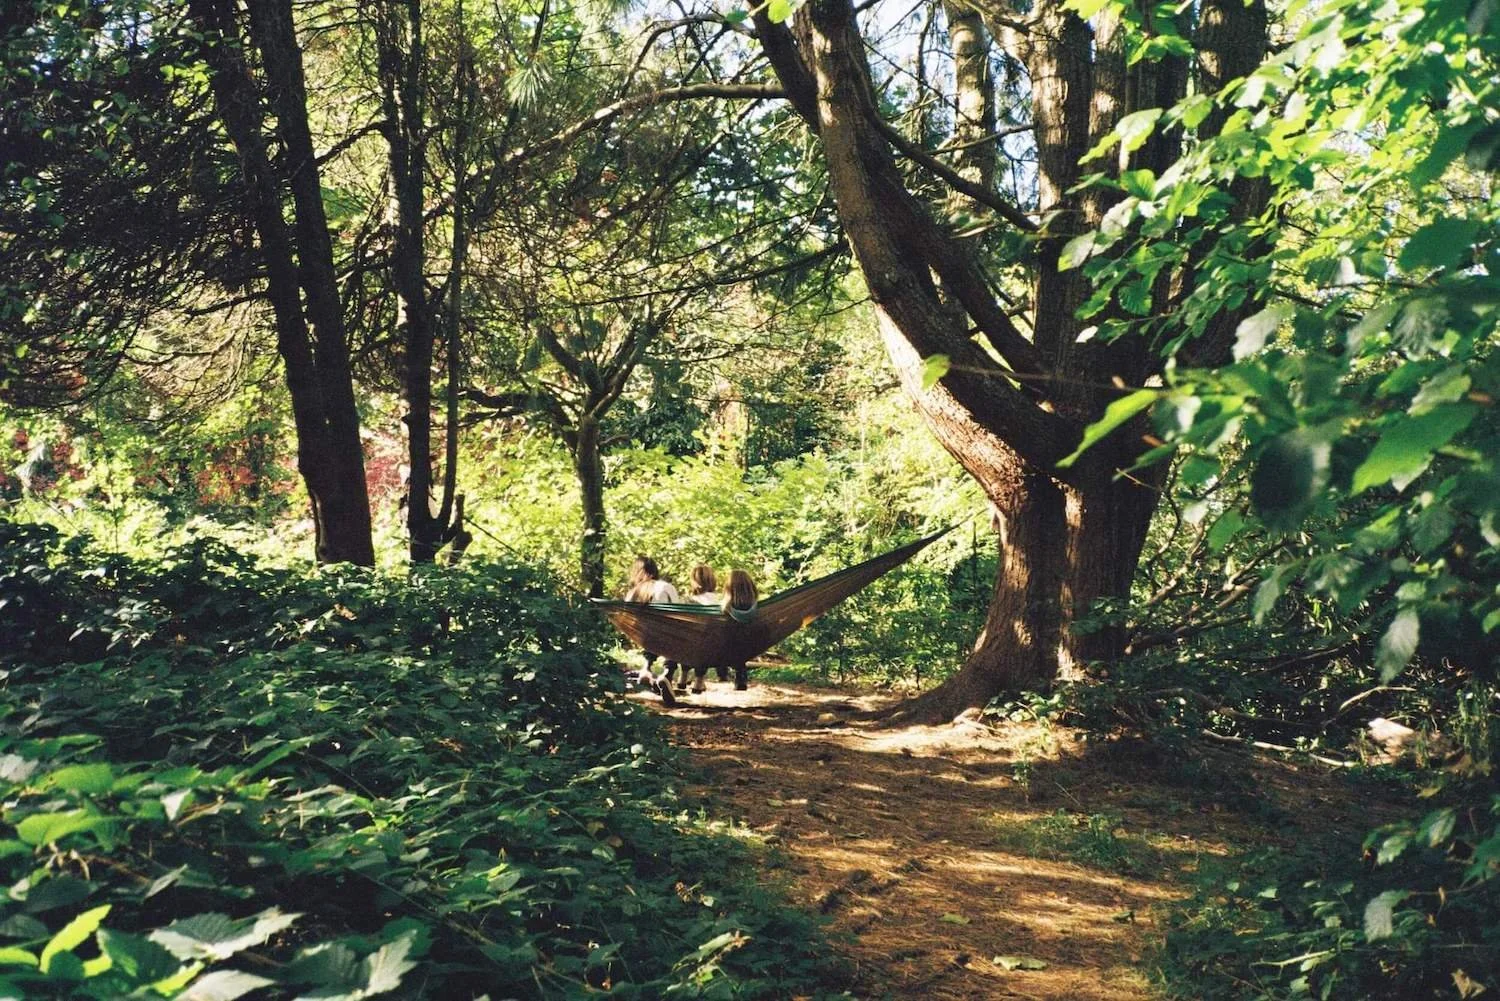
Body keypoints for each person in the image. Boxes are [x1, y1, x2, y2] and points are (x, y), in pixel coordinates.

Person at [624, 555, 681, 702]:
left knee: (651, 630)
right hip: (669, 635)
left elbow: (626, 615)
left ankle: (646, 668)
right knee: (676, 635)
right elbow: (678, 613)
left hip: (644, 636)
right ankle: (667, 674)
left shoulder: (633, 593)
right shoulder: (667, 587)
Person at [721, 569, 759, 691]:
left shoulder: (726, 608)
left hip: (728, 644)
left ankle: (724, 672)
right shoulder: (757, 607)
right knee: (741, 641)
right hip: (752, 642)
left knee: (729, 638)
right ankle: (740, 676)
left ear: (729, 588)